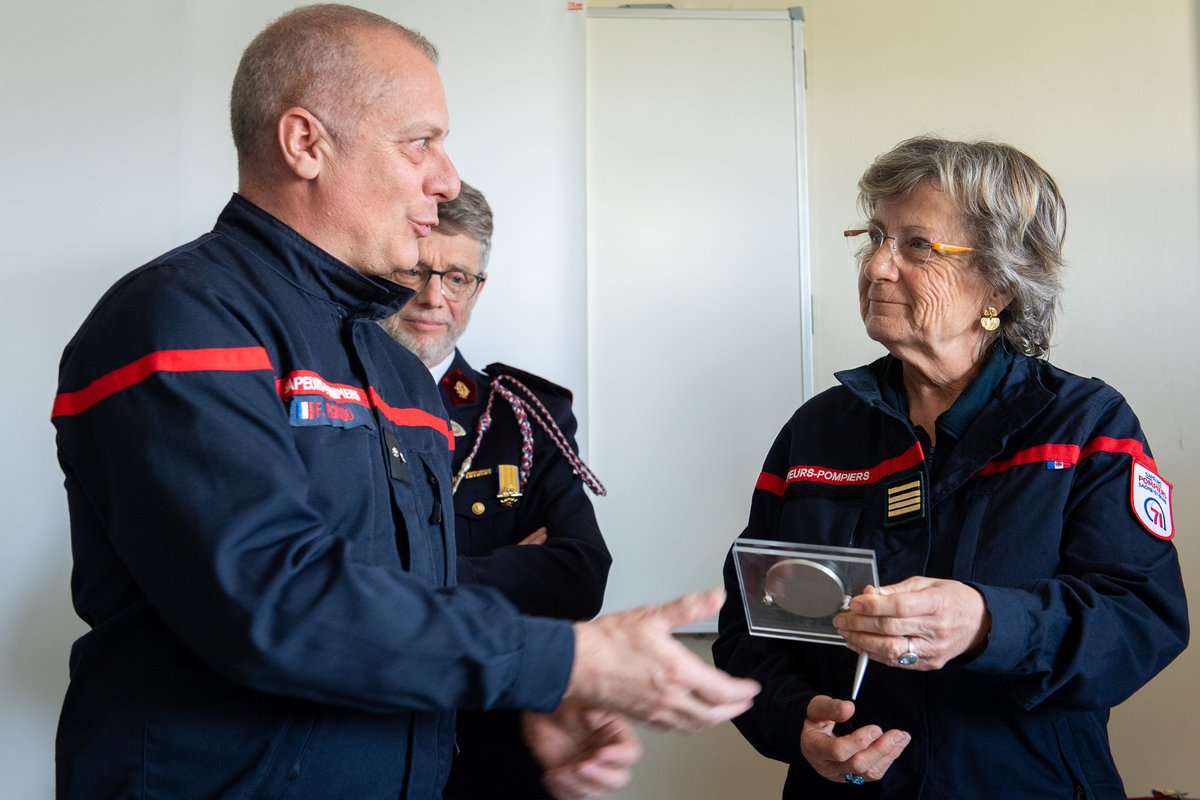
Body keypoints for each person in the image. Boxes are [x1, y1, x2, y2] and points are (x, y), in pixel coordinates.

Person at [50, 5, 759, 799]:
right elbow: (275, 602)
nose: (446, 177)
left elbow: (406, 610)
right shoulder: (183, 318)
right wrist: (565, 659)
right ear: (305, 143)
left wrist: (530, 694)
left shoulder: (395, 372)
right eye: (420, 141)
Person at [713, 135, 1188, 798]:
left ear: (1000, 280)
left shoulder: (1083, 425)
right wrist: (796, 723)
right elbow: (749, 628)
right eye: (875, 235)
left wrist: (988, 624)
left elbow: (1140, 622)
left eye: (917, 245)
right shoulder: (816, 434)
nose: (878, 265)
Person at [380, 180, 612, 799]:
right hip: (361, 733)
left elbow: (580, 576)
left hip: (498, 742)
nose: (433, 297)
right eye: (417, 272)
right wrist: (506, 569)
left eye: (456, 278)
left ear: (478, 288)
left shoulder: (522, 414)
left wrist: (417, 579)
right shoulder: (330, 406)